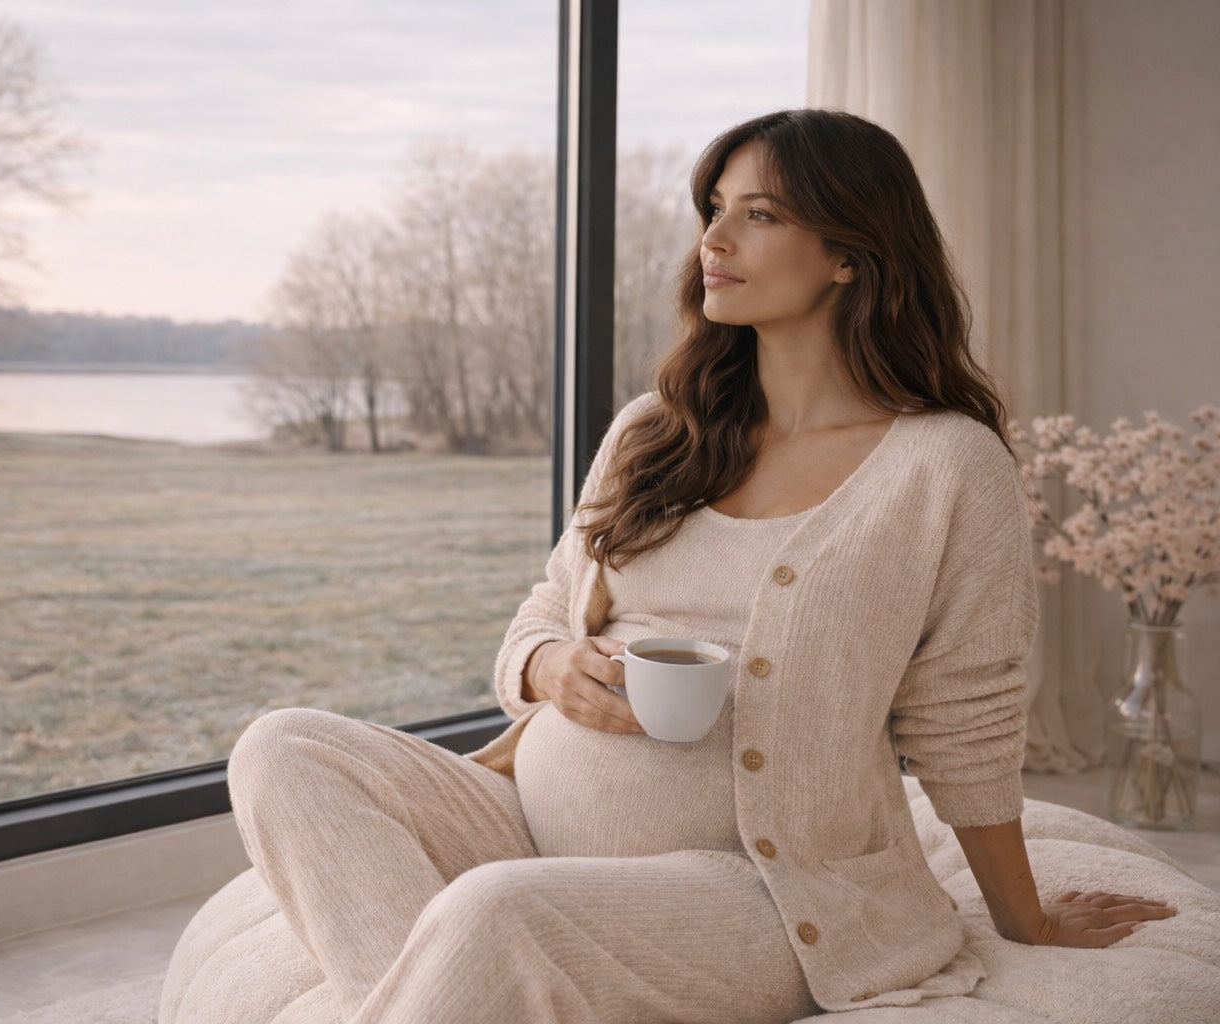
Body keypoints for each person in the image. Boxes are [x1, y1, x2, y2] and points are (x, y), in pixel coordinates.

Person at [223, 109, 1176, 1024]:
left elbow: (968, 713)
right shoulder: (656, 430)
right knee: (283, 746)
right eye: (713, 209)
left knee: (497, 914)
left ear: (851, 254)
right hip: (528, 826)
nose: (713, 239)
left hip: (766, 889)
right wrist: (550, 668)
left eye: (759, 215)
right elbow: (546, 610)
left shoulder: (947, 465)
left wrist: (1027, 919)